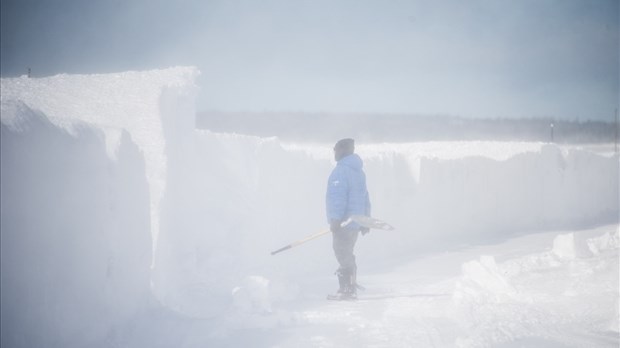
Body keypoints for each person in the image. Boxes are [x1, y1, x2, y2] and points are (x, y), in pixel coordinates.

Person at [326, 138, 371, 299]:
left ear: (343, 150)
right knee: (347, 253)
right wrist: (365, 221)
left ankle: (347, 289)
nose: (334, 153)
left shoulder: (341, 171)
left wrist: (335, 219)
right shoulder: (359, 172)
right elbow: (365, 198)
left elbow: (338, 197)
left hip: (344, 223)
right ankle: (350, 285)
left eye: (335, 149)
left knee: (342, 254)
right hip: (355, 223)